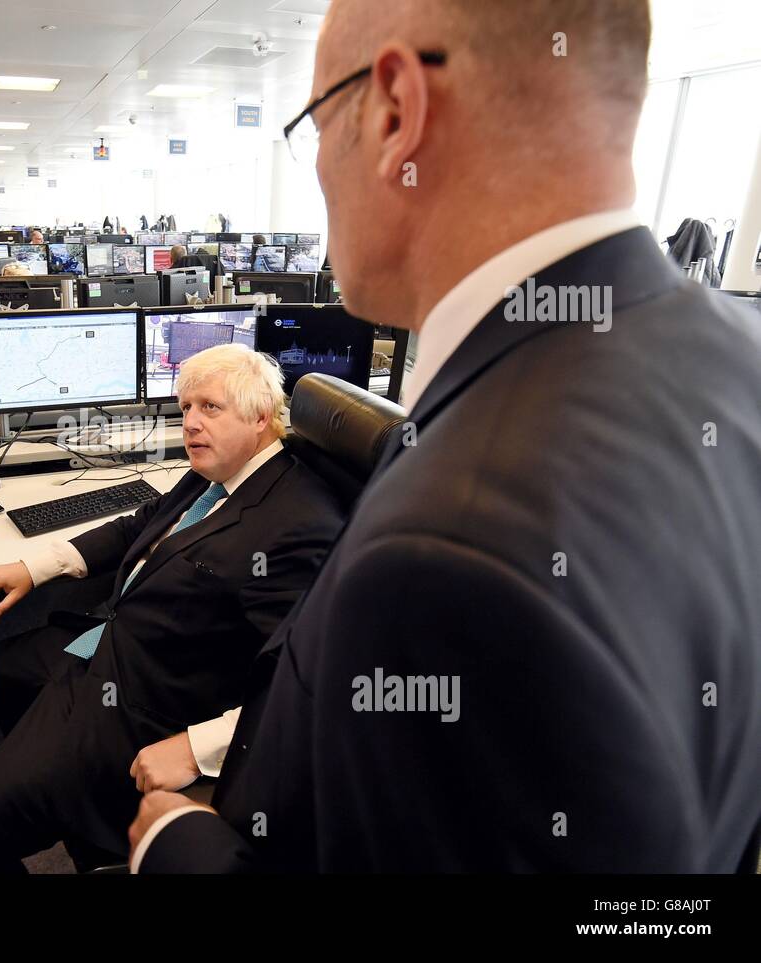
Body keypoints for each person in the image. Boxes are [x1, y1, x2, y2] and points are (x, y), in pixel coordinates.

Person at [130, 0, 761, 874]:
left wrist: (178, 846)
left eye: (313, 123)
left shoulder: (452, 546)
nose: (313, 165)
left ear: (394, 113)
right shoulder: (739, 358)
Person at [0, 345, 346, 872]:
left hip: (142, 703)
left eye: (209, 407)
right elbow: (140, 524)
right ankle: (85, 825)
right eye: (186, 407)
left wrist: (196, 748)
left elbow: (304, 685)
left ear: (261, 416)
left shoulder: (297, 525)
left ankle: (60, 791)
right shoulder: (221, 467)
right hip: (102, 648)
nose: (191, 422)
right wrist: (39, 565)